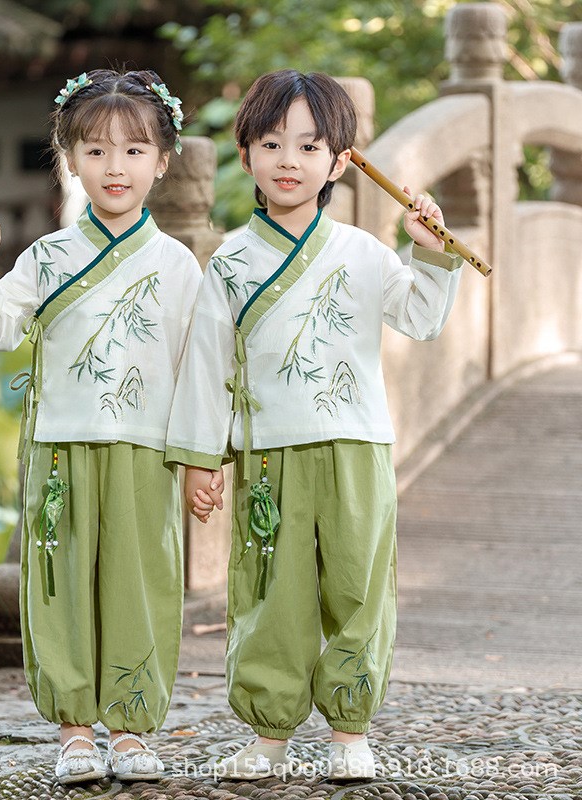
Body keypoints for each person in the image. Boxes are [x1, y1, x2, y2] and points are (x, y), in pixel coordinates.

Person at [165, 69, 463, 781]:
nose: (289, 161)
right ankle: (269, 735)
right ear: (246, 155)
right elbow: (208, 365)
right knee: (273, 591)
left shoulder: (362, 252)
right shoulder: (232, 263)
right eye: (271, 143)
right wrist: (202, 459)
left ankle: (350, 730)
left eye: (308, 146)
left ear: (339, 161)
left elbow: (421, 318)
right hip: (270, 454)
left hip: (357, 447)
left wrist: (428, 249)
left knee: (358, 587)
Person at [0, 69, 201, 785]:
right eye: (94, 151)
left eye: (131, 151)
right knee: (60, 583)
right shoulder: (48, 255)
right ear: (69, 158)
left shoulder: (179, 266)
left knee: (140, 581)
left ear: (161, 159)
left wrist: (207, 458)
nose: (113, 167)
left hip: (146, 451)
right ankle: (74, 731)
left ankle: (129, 728)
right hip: (59, 447)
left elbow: (198, 369)